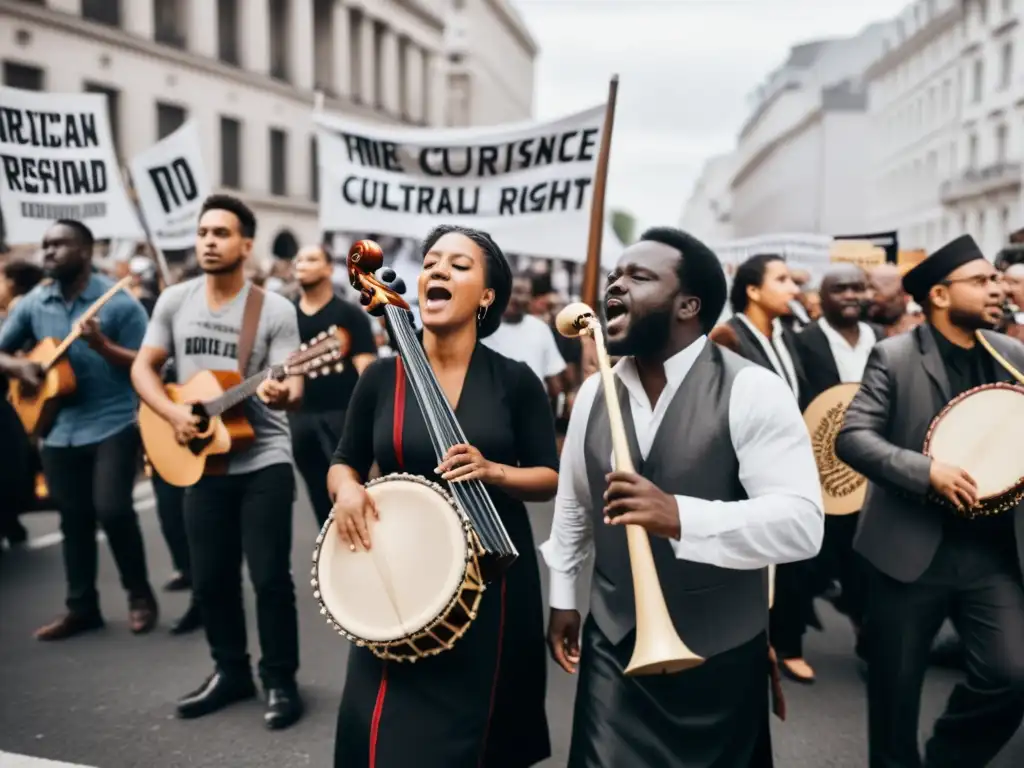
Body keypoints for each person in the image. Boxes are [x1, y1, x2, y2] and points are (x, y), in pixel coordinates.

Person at [544, 227, 824, 768]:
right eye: (613, 277)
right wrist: (562, 594)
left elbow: (802, 525)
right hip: (614, 644)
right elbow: (575, 502)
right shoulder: (592, 397)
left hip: (722, 651)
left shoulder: (753, 389)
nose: (615, 287)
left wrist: (679, 516)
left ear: (688, 305)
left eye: (638, 277)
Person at [328, 224, 559, 768]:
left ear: (486, 296)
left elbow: (550, 475)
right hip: (403, 575)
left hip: (493, 576)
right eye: (432, 261)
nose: (438, 270)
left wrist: (495, 471)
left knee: (486, 735)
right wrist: (346, 491)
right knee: (387, 729)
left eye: (459, 265)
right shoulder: (383, 378)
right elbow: (345, 461)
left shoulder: (515, 381)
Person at [836, 234, 1024, 768]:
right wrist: (927, 471)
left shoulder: (1013, 356)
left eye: (997, 279)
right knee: (894, 697)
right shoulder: (894, 356)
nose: (997, 289)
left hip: (993, 555)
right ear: (939, 295)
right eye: (983, 281)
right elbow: (852, 437)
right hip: (908, 553)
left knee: (1012, 677)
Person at [131, 194, 305, 730]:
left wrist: (282, 394)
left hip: (264, 460)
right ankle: (230, 672)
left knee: (270, 577)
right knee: (209, 579)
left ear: (246, 245)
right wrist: (172, 414)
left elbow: (294, 380)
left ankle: (280, 679)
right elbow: (144, 368)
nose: (209, 241)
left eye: (222, 233)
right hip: (201, 458)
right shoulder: (174, 300)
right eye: (204, 232)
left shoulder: (274, 310)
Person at [0, 220, 158, 639]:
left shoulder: (120, 303)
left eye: (58, 245)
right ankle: (82, 607)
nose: (47, 252)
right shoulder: (34, 303)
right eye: (45, 245)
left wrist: (102, 345)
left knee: (114, 510)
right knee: (74, 519)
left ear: (85, 251)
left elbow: (150, 364)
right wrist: (18, 365)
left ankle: (140, 595)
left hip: (113, 421)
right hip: (57, 428)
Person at [709, 252, 818, 684]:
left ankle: (786, 642)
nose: (794, 289)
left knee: (789, 552)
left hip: (789, 464)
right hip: (743, 467)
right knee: (750, 555)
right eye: (783, 280)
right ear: (752, 290)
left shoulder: (790, 337)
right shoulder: (727, 336)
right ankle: (748, 638)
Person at [793, 264, 878, 655]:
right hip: (819, 466)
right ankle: (791, 628)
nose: (850, 295)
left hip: (872, 464)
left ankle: (868, 631)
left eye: (857, 288)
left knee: (867, 554)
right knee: (818, 551)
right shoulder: (802, 342)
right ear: (821, 298)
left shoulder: (879, 339)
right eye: (840, 289)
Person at [289, 244, 376, 527]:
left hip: (342, 420)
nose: (302, 264)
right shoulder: (285, 316)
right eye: (299, 259)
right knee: (319, 501)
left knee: (354, 494)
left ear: (328, 268)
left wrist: (365, 425)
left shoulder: (350, 315)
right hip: (300, 420)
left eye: (311, 259)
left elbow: (367, 374)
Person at [482, 271, 567, 393]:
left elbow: (554, 377)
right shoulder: (483, 327)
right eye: (514, 291)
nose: (516, 298)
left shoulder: (540, 328)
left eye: (524, 293)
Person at [866, 263, 924, 337]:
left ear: (902, 293)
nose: (868, 296)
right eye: (866, 288)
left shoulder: (920, 326)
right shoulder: (863, 326)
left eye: (875, 289)